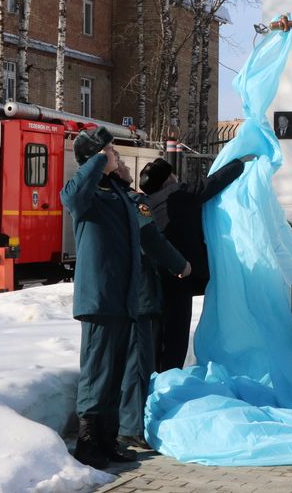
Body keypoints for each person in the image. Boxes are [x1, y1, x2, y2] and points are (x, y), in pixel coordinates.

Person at [60, 127, 188, 469]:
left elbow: (151, 239)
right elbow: (70, 196)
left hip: (127, 298)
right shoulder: (86, 196)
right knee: (97, 371)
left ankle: (108, 438)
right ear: (98, 158)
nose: (117, 155)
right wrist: (100, 158)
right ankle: (88, 443)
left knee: (116, 372)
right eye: (111, 151)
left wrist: (181, 265)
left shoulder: (123, 195)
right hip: (99, 297)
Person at [139, 154, 253, 372]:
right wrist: (240, 163)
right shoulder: (176, 193)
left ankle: (155, 379)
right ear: (167, 181)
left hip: (154, 277)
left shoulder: (147, 203)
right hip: (179, 274)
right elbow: (210, 184)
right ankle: (168, 379)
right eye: (172, 174)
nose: (176, 177)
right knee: (176, 333)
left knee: (157, 332)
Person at [112, 155, 190, 451]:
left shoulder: (115, 197)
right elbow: (152, 241)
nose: (124, 164)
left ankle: (127, 423)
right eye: (118, 161)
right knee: (139, 364)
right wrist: (182, 265)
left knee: (134, 361)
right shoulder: (134, 202)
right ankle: (131, 427)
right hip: (140, 293)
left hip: (123, 292)